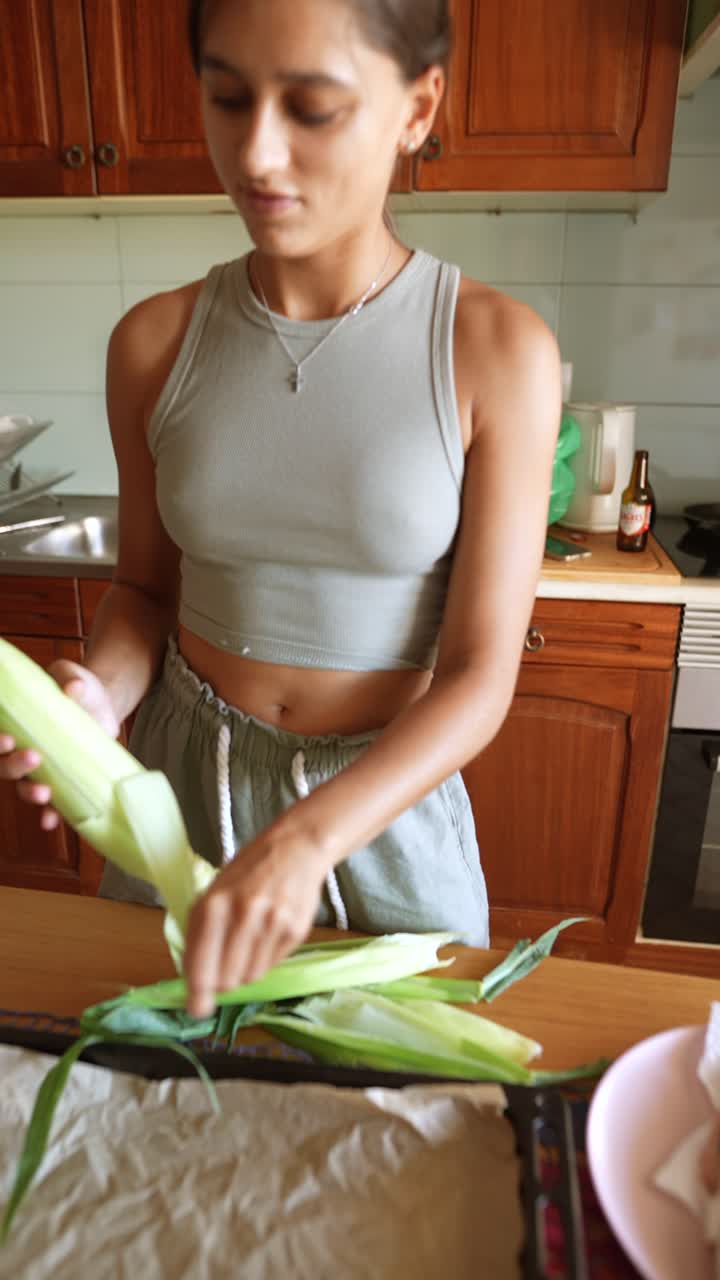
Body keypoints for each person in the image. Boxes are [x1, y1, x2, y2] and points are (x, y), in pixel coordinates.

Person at [0, 0, 561, 1018]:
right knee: (164, 1109)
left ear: (417, 106)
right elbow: (142, 587)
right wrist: (102, 698)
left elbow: (481, 673)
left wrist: (305, 838)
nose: (256, 152)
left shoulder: (497, 351)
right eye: (227, 97)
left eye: (312, 108)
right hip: (181, 798)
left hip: (380, 814)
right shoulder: (154, 343)